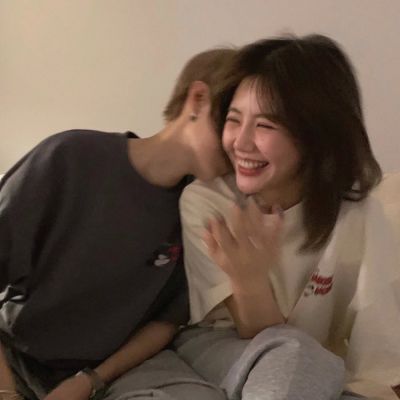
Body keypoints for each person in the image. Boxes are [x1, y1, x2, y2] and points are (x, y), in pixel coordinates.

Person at [0, 48, 236, 400]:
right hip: (16, 357)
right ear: (198, 100)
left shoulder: (199, 209)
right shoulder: (70, 158)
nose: (241, 143)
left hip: (116, 372)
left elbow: (166, 321)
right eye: (233, 121)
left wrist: (88, 382)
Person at [180, 35, 400, 399]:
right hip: (225, 349)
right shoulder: (208, 202)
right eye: (234, 120)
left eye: (265, 125)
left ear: (316, 134)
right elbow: (265, 341)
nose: (241, 143)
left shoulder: (358, 211)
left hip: (317, 366)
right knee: (293, 358)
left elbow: (379, 351)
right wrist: (250, 281)